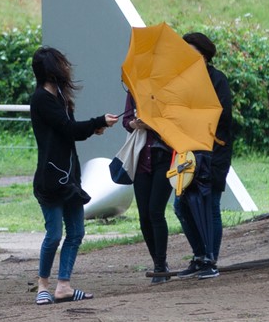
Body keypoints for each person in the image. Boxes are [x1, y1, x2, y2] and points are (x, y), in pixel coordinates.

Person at [30, 46, 119, 304]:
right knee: (54, 235)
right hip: (51, 179)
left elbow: (68, 131)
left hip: (69, 177)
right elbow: (69, 129)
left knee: (77, 232)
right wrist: (98, 122)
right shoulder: (41, 99)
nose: (66, 67)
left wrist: (94, 127)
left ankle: (63, 286)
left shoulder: (59, 96)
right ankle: (43, 285)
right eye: (61, 63)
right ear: (51, 69)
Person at [174, 32, 233, 279]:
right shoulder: (182, 82)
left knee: (210, 205)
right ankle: (200, 256)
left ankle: (211, 259)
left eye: (192, 52)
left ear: (204, 55)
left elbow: (223, 115)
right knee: (181, 205)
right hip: (189, 152)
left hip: (214, 152)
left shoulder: (218, 80)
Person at [122, 93, 174, 285]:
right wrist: (135, 123)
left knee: (155, 212)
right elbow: (126, 121)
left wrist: (152, 124)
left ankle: (160, 266)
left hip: (164, 156)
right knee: (144, 215)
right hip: (141, 159)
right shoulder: (134, 91)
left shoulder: (166, 90)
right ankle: (159, 263)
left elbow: (175, 121)